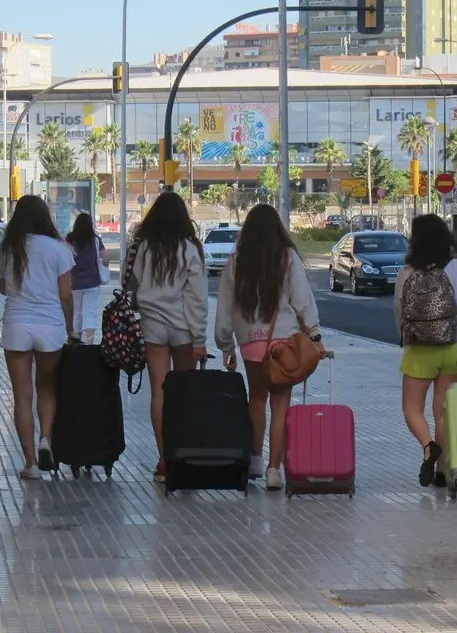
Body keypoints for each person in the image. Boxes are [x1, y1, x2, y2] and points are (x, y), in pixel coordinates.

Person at [214, 204, 325, 491]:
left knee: (256, 400)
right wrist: (313, 334)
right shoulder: (287, 258)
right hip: (283, 344)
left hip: (251, 342)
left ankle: (255, 459)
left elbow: (225, 309)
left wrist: (225, 345)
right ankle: (274, 471)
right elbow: (303, 299)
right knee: (280, 407)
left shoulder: (236, 261)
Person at [0, 195, 76, 480]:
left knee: (22, 396)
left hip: (16, 325)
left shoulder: (6, 249)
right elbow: (66, 295)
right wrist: (70, 327)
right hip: (50, 326)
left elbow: (3, 289)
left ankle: (30, 464)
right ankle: (45, 440)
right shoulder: (58, 249)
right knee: (47, 389)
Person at [125, 191, 208, 483]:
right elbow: (197, 298)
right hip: (184, 327)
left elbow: (131, 283)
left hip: (152, 325)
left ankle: (164, 460)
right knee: (183, 394)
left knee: (159, 393)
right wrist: (199, 338)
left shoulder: (142, 248)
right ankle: (182, 455)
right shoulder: (189, 249)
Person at [393, 214, 457, 488]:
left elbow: (399, 311)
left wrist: (408, 335)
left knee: (412, 409)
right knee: (443, 411)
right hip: (451, 348)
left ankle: (427, 447)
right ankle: (443, 469)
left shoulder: (407, 273)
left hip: (419, 350)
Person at [66, 212, 108, 344]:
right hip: (92, 283)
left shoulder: (69, 240)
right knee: (89, 312)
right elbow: (106, 259)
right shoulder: (95, 239)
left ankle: (75, 341)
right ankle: (89, 343)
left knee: (76, 313)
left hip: (74, 283)